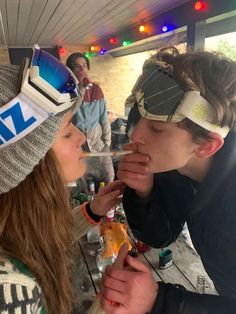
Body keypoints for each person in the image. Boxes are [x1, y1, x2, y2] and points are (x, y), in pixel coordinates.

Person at [100, 48, 236, 313]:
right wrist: (143, 193)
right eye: (140, 120)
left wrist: (161, 301)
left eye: (157, 129)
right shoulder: (175, 164)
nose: (136, 135)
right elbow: (160, 236)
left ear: (207, 146)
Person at [0, 45, 124, 314]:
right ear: (27, 164)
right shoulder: (9, 290)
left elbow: (33, 240)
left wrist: (92, 211)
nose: (80, 137)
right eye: (67, 133)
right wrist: (108, 307)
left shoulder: (12, 228)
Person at [66, 52, 114, 188]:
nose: (82, 70)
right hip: (80, 149)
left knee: (109, 178)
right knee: (85, 186)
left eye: (84, 66)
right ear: (71, 71)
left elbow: (103, 118)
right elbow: (69, 115)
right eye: (77, 67)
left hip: (100, 147)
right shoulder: (67, 92)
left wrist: (107, 143)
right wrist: (80, 89)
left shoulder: (96, 90)